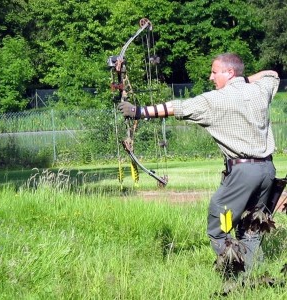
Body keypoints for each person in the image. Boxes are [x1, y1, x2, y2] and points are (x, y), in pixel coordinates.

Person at [118, 53, 280, 273]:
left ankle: (234, 271)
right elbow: (272, 74)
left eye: (215, 72)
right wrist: (243, 81)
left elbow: (178, 107)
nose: (211, 77)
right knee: (251, 224)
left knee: (220, 220)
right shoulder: (260, 91)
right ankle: (254, 273)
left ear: (229, 72)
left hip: (243, 175)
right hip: (267, 172)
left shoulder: (215, 100)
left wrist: (138, 112)